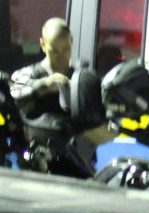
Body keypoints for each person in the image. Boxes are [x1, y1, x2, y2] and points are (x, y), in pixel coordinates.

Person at [9, 18, 119, 159]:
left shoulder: (82, 77)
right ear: (43, 44)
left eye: (66, 49)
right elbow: (14, 92)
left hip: (79, 159)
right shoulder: (29, 74)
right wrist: (45, 85)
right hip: (39, 159)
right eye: (54, 51)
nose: (61, 57)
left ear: (71, 42)